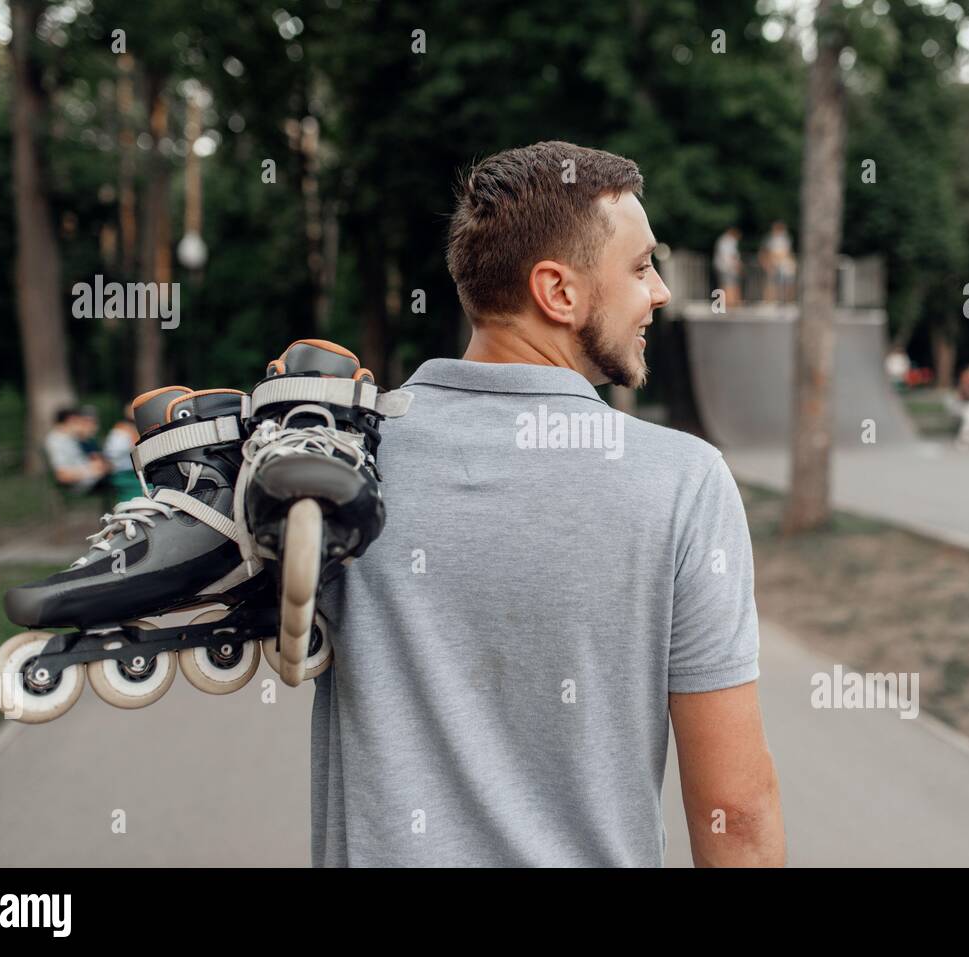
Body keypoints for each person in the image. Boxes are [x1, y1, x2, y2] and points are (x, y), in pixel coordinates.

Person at [312, 142, 783, 867]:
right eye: (638, 267)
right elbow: (736, 817)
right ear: (558, 293)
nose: (658, 291)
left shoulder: (342, 459)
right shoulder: (683, 481)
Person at [44, 408, 111, 494]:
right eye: (80, 422)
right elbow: (62, 475)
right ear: (71, 421)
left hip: (91, 481)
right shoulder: (56, 441)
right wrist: (93, 470)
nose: (82, 426)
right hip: (80, 486)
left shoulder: (69, 439)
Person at [102, 403, 144, 501]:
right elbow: (112, 455)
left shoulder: (137, 429)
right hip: (125, 474)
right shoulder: (120, 432)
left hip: (137, 473)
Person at [758, 221, 796, 304]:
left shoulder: (786, 238)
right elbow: (766, 251)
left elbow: (788, 252)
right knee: (771, 283)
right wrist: (766, 262)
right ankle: (769, 300)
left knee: (788, 282)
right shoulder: (770, 239)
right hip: (774, 262)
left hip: (784, 263)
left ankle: (788, 300)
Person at [712, 226, 743, 308]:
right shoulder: (727, 241)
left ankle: (727, 304)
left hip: (725, 268)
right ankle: (729, 304)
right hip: (727, 268)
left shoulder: (724, 240)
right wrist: (735, 266)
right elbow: (728, 257)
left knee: (727, 285)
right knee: (729, 286)